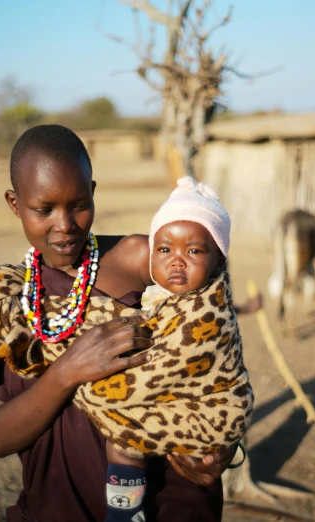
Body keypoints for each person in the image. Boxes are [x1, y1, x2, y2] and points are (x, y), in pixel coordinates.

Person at [0, 124, 240, 522]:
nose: (65, 225)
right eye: (44, 209)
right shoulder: (11, 303)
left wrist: (219, 447)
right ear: (15, 204)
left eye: (79, 204)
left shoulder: (139, 259)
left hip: (166, 504)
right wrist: (67, 372)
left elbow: (211, 343)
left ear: (93, 192)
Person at [102, 176, 253, 522]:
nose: (177, 261)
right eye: (165, 249)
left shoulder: (207, 309)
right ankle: (126, 512)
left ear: (218, 261)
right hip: (173, 420)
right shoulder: (152, 295)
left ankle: (125, 513)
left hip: (198, 417)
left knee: (123, 438)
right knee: (124, 445)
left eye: (194, 250)